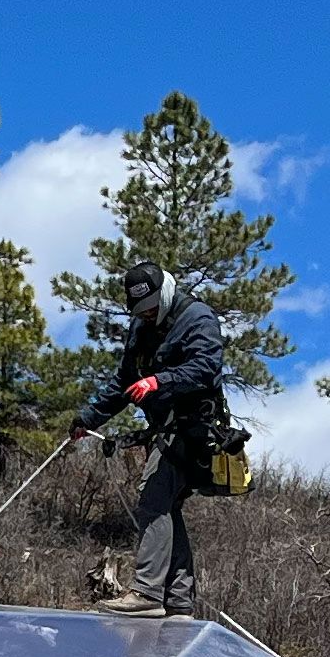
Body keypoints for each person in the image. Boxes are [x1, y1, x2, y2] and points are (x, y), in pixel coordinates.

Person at [70, 261, 230, 618]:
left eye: (152, 308)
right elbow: (123, 383)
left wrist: (160, 381)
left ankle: (146, 593)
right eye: (140, 311)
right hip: (164, 431)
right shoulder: (140, 328)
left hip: (195, 431)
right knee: (167, 507)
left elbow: (206, 367)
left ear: (165, 293)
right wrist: (89, 418)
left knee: (153, 498)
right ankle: (178, 602)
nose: (147, 315)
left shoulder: (198, 318)